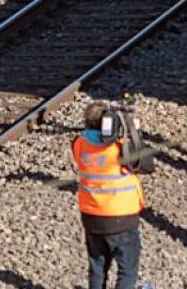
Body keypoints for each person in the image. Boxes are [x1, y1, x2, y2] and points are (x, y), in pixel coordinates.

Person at [74, 101, 148, 289]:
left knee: (97, 266)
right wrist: (134, 133)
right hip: (121, 216)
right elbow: (147, 164)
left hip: (91, 216)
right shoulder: (120, 148)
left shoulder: (79, 145)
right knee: (127, 269)